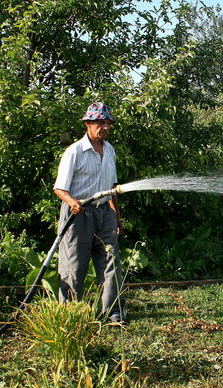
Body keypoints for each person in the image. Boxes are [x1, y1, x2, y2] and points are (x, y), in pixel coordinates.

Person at [53, 102, 127, 324]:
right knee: (74, 266)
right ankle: (70, 313)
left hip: (104, 212)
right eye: (99, 123)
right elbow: (59, 188)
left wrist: (116, 217)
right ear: (88, 124)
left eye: (107, 123)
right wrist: (72, 202)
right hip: (78, 214)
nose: (104, 127)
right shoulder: (74, 151)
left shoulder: (110, 150)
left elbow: (112, 188)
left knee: (110, 262)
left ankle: (113, 313)